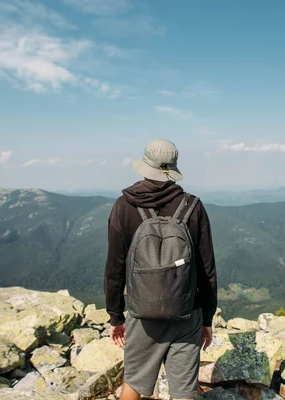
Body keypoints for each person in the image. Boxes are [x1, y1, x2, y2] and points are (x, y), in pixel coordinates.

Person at [104, 138, 218, 400]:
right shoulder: (193, 207)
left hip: (142, 314)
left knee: (133, 382)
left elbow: (114, 267)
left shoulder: (124, 206)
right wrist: (207, 318)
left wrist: (116, 316)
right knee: (184, 392)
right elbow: (207, 269)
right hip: (187, 313)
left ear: (145, 165)